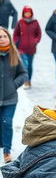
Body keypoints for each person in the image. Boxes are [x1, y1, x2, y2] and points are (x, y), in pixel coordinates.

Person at [0, 27, 27, 162]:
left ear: (9, 39)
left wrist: (14, 84)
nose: (2, 39)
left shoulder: (14, 55)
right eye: (0, 37)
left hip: (10, 98)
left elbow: (23, 73)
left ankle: (6, 150)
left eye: (5, 36)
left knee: (6, 122)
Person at [13, 6, 41, 88]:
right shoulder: (20, 22)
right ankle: (25, 81)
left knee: (29, 65)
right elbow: (16, 34)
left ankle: (29, 80)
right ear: (23, 13)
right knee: (25, 65)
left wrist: (35, 41)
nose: (27, 14)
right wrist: (16, 41)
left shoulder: (35, 22)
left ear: (31, 13)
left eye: (29, 12)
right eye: (26, 12)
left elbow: (38, 33)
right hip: (21, 48)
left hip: (31, 49)